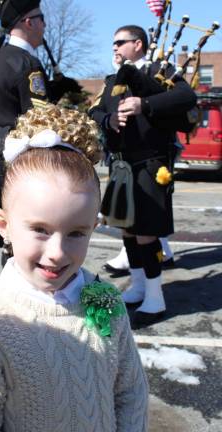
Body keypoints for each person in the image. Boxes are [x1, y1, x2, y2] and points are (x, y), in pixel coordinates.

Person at [0, 105, 148, 431]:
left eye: (76, 233)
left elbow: (131, 394)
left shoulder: (108, 302)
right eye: (40, 229)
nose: (56, 253)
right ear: (4, 224)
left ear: (93, 228)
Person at [89, 25, 197, 328]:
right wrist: (109, 119)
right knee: (127, 230)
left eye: (120, 42)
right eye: (112, 43)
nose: (114, 47)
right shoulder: (112, 80)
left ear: (138, 44)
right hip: (122, 166)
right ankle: (138, 286)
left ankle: (155, 296)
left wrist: (145, 103)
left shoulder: (159, 69)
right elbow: (95, 112)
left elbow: (187, 97)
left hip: (151, 164)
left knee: (147, 232)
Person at [0, 0, 81, 264]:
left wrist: (54, 89)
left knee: (13, 242)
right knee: (26, 244)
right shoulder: (26, 63)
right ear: (29, 22)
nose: (45, 25)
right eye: (41, 18)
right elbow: (39, 119)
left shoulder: (1, 58)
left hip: (2, 153)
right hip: (21, 157)